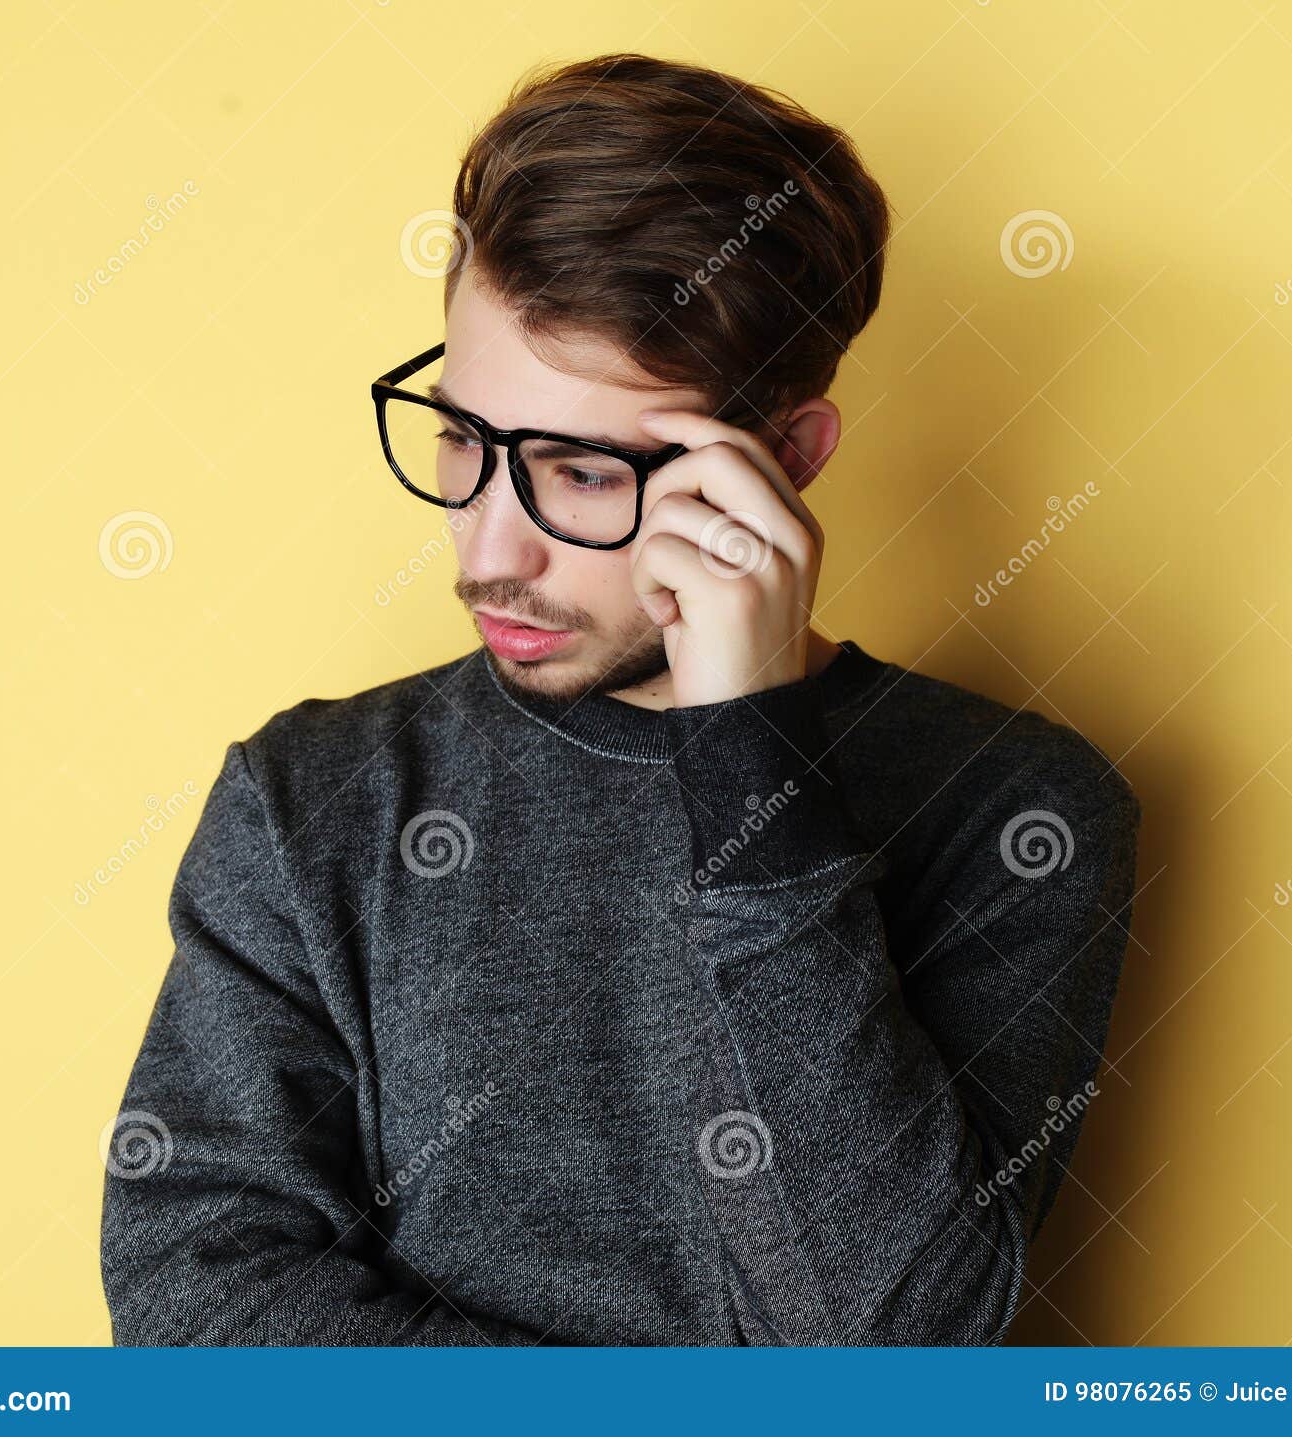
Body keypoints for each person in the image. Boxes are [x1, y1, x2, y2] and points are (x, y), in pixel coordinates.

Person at [100, 52, 1141, 1346]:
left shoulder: (1014, 809)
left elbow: (888, 1343)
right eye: (464, 441)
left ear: (788, 462)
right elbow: (196, 1293)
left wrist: (748, 760)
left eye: (581, 473)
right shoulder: (315, 797)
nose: (492, 549)